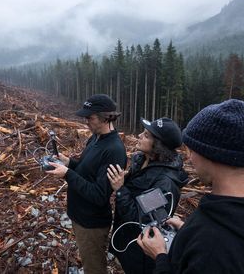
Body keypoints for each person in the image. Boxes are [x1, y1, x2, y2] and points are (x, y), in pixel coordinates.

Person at [137, 99, 244, 274]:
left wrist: (161, 257)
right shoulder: (221, 218)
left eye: (192, 149)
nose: (188, 156)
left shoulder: (212, 247)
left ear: (211, 154)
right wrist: (188, 232)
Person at [47, 94, 127, 274]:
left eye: (89, 117)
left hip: (92, 224)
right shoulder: (96, 138)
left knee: (94, 268)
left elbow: (99, 195)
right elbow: (86, 170)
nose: (86, 121)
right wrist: (69, 163)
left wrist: (67, 174)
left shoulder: (114, 150)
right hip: (80, 215)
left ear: (105, 117)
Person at [107, 117, 188, 274]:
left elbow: (141, 220)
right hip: (125, 237)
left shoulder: (165, 183)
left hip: (141, 250)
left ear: (158, 146)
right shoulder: (142, 159)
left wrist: (120, 188)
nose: (139, 135)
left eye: (146, 135)